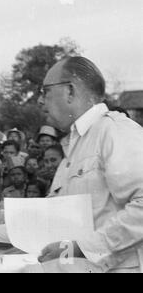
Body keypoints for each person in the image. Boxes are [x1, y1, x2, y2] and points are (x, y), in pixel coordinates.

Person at [37, 56, 143, 273]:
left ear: (70, 91)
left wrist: (80, 248)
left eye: (44, 91)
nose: (40, 101)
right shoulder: (74, 145)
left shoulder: (114, 131)